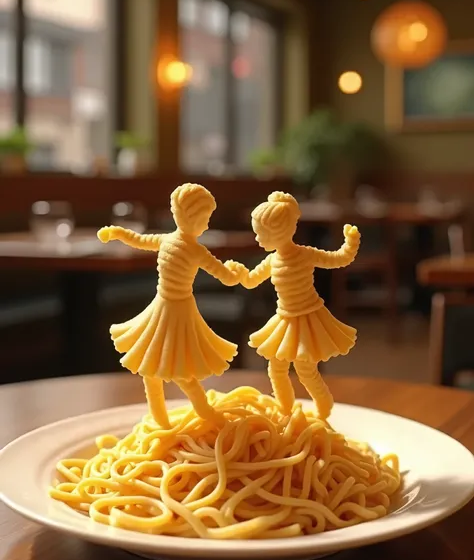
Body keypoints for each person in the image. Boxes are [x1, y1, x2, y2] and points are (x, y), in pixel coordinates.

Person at [97, 183, 241, 427]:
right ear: (187, 216)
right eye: (204, 219)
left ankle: (188, 415)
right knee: (164, 368)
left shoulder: (178, 244)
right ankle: (179, 418)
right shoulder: (186, 247)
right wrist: (236, 272)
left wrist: (118, 233)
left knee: (168, 368)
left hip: (172, 311)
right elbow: (224, 275)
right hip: (169, 311)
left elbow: (139, 240)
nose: (207, 225)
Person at [234, 191, 360, 419]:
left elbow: (338, 259)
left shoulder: (305, 254)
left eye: (261, 234)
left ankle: (323, 405)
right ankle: (285, 410)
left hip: (308, 317)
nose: (257, 239)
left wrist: (350, 243)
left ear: (278, 231)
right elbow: (251, 280)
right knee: (276, 368)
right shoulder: (272, 260)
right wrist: (238, 273)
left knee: (306, 370)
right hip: (284, 319)